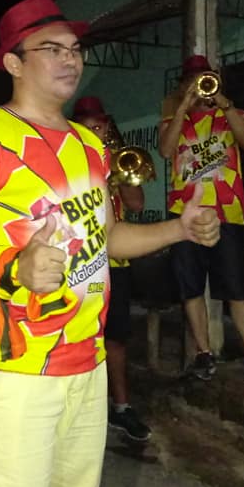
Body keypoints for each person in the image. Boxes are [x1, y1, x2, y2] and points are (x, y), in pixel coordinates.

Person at [0, 0, 220, 487]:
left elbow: (107, 238)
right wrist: (12, 265)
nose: (70, 59)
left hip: (86, 360)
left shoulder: (90, 146)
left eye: (75, 48)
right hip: (17, 364)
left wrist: (179, 228)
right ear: (13, 63)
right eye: (51, 49)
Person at [159, 55, 244, 393]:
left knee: (238, 291)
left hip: (227, 214)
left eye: (205, 80)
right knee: (191, 289)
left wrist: (222, 101)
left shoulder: (233, 115)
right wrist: (184, 106)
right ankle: (203, 353)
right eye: (192, 81)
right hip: (186, 217)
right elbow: (165, 151)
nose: (199, 87)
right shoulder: (172, 121)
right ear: (183, 85)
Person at [71, 95, 151, 441]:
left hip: (116, 263)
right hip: (80, 264)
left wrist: (116, 174)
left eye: (100, 126)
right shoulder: (67, 162)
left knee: (115, 338)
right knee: (78, 337)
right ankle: (78, 412)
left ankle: (121, 407)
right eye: (89, 127)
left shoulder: (116, 162)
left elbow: (137, 204)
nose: (96, 132)